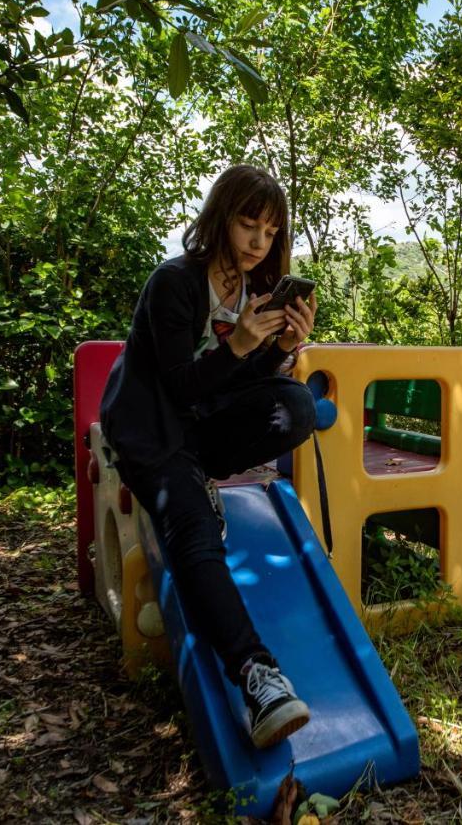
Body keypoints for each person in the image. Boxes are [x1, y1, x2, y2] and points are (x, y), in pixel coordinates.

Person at [99, 165, 318, 748]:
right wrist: (242, 342)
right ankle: (257, 678)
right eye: (248, 224)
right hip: (152, 427)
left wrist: (280, 350)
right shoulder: (175, 283)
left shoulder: (254, 296)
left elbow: (237, 386)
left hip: (198, 428)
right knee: (194, 533)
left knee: (294, 406)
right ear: (221, 218)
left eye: (270, 232)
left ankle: (198, 478)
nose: (257, 242)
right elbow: (178, 388)